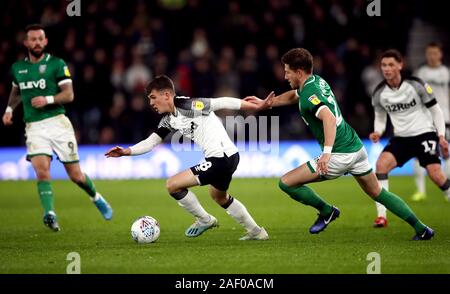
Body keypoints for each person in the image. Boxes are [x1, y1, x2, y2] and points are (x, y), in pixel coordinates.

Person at [245, 48, 434, 240]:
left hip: (339, 153)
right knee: (378, 192)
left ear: (299, 72)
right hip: (356, 147)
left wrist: (326, 153)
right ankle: (422, 229)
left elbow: (327, 117)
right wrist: (267, 103)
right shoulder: (315, 81)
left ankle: (327, 211)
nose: (285, 76)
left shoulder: (311, 92)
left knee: (286, 183)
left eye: (288, 71)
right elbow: (295, 95)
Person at [105, 75, 269, 240]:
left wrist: (257, 106)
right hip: (227, 157)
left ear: (167, 95)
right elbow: (151, 141)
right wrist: (127, 151)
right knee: (219, 197)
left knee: (172, 185)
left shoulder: (188, 105)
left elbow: (221, 102)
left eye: (153, 97)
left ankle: (204, 220)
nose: (151, 103)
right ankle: (257, 232)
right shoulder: (169, 119)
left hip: (221, 158)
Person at [2, 24, 113, 232]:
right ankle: (50, 214)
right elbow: (16, 92)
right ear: (26, 43)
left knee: (75, 175)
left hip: (58, 123)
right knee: (42, 171)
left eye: (40, 39)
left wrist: (48, 99)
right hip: (34, 126)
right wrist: (9, 109)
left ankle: (96, 197)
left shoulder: (57, 64)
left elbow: (69, 94)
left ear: (45, 42)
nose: (36, 42)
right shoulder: (18, 68)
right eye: (32, 39)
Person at [370, 49, 450, 228]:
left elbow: (436, 111)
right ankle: (382, 216)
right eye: (384, 65)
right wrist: (378, 131)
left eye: (391, 64)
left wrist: (441, 136)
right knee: (380, 166)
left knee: (436, 175)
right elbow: (381, 117)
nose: (387, 69)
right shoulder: (379, 93)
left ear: (400, 65)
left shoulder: (416, 85)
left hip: (424, 133)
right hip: (402, 138)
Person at [411, 42, 450, 202]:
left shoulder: (446, 72)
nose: (432, 56)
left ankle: (447, 190)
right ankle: (420, 191)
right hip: (425, 119)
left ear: (440, 54)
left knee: (446, 153)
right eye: (429, 53)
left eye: (435, 53)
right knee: (418, 155)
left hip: (445, 117)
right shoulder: (421, 72)